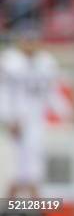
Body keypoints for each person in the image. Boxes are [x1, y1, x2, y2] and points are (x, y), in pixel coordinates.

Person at [0, 32, 60, 198]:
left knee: (34, 172)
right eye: (27, 40)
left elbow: (51, 92)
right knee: (15, 172)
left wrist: (66, 112)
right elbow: (3, 93)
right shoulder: (10, 62)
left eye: (33, 40)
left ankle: (33, 212)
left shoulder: (46, 62)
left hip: (36, 122)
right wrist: (9, 119)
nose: (30, 44)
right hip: (17, 122)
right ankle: (11, 212)